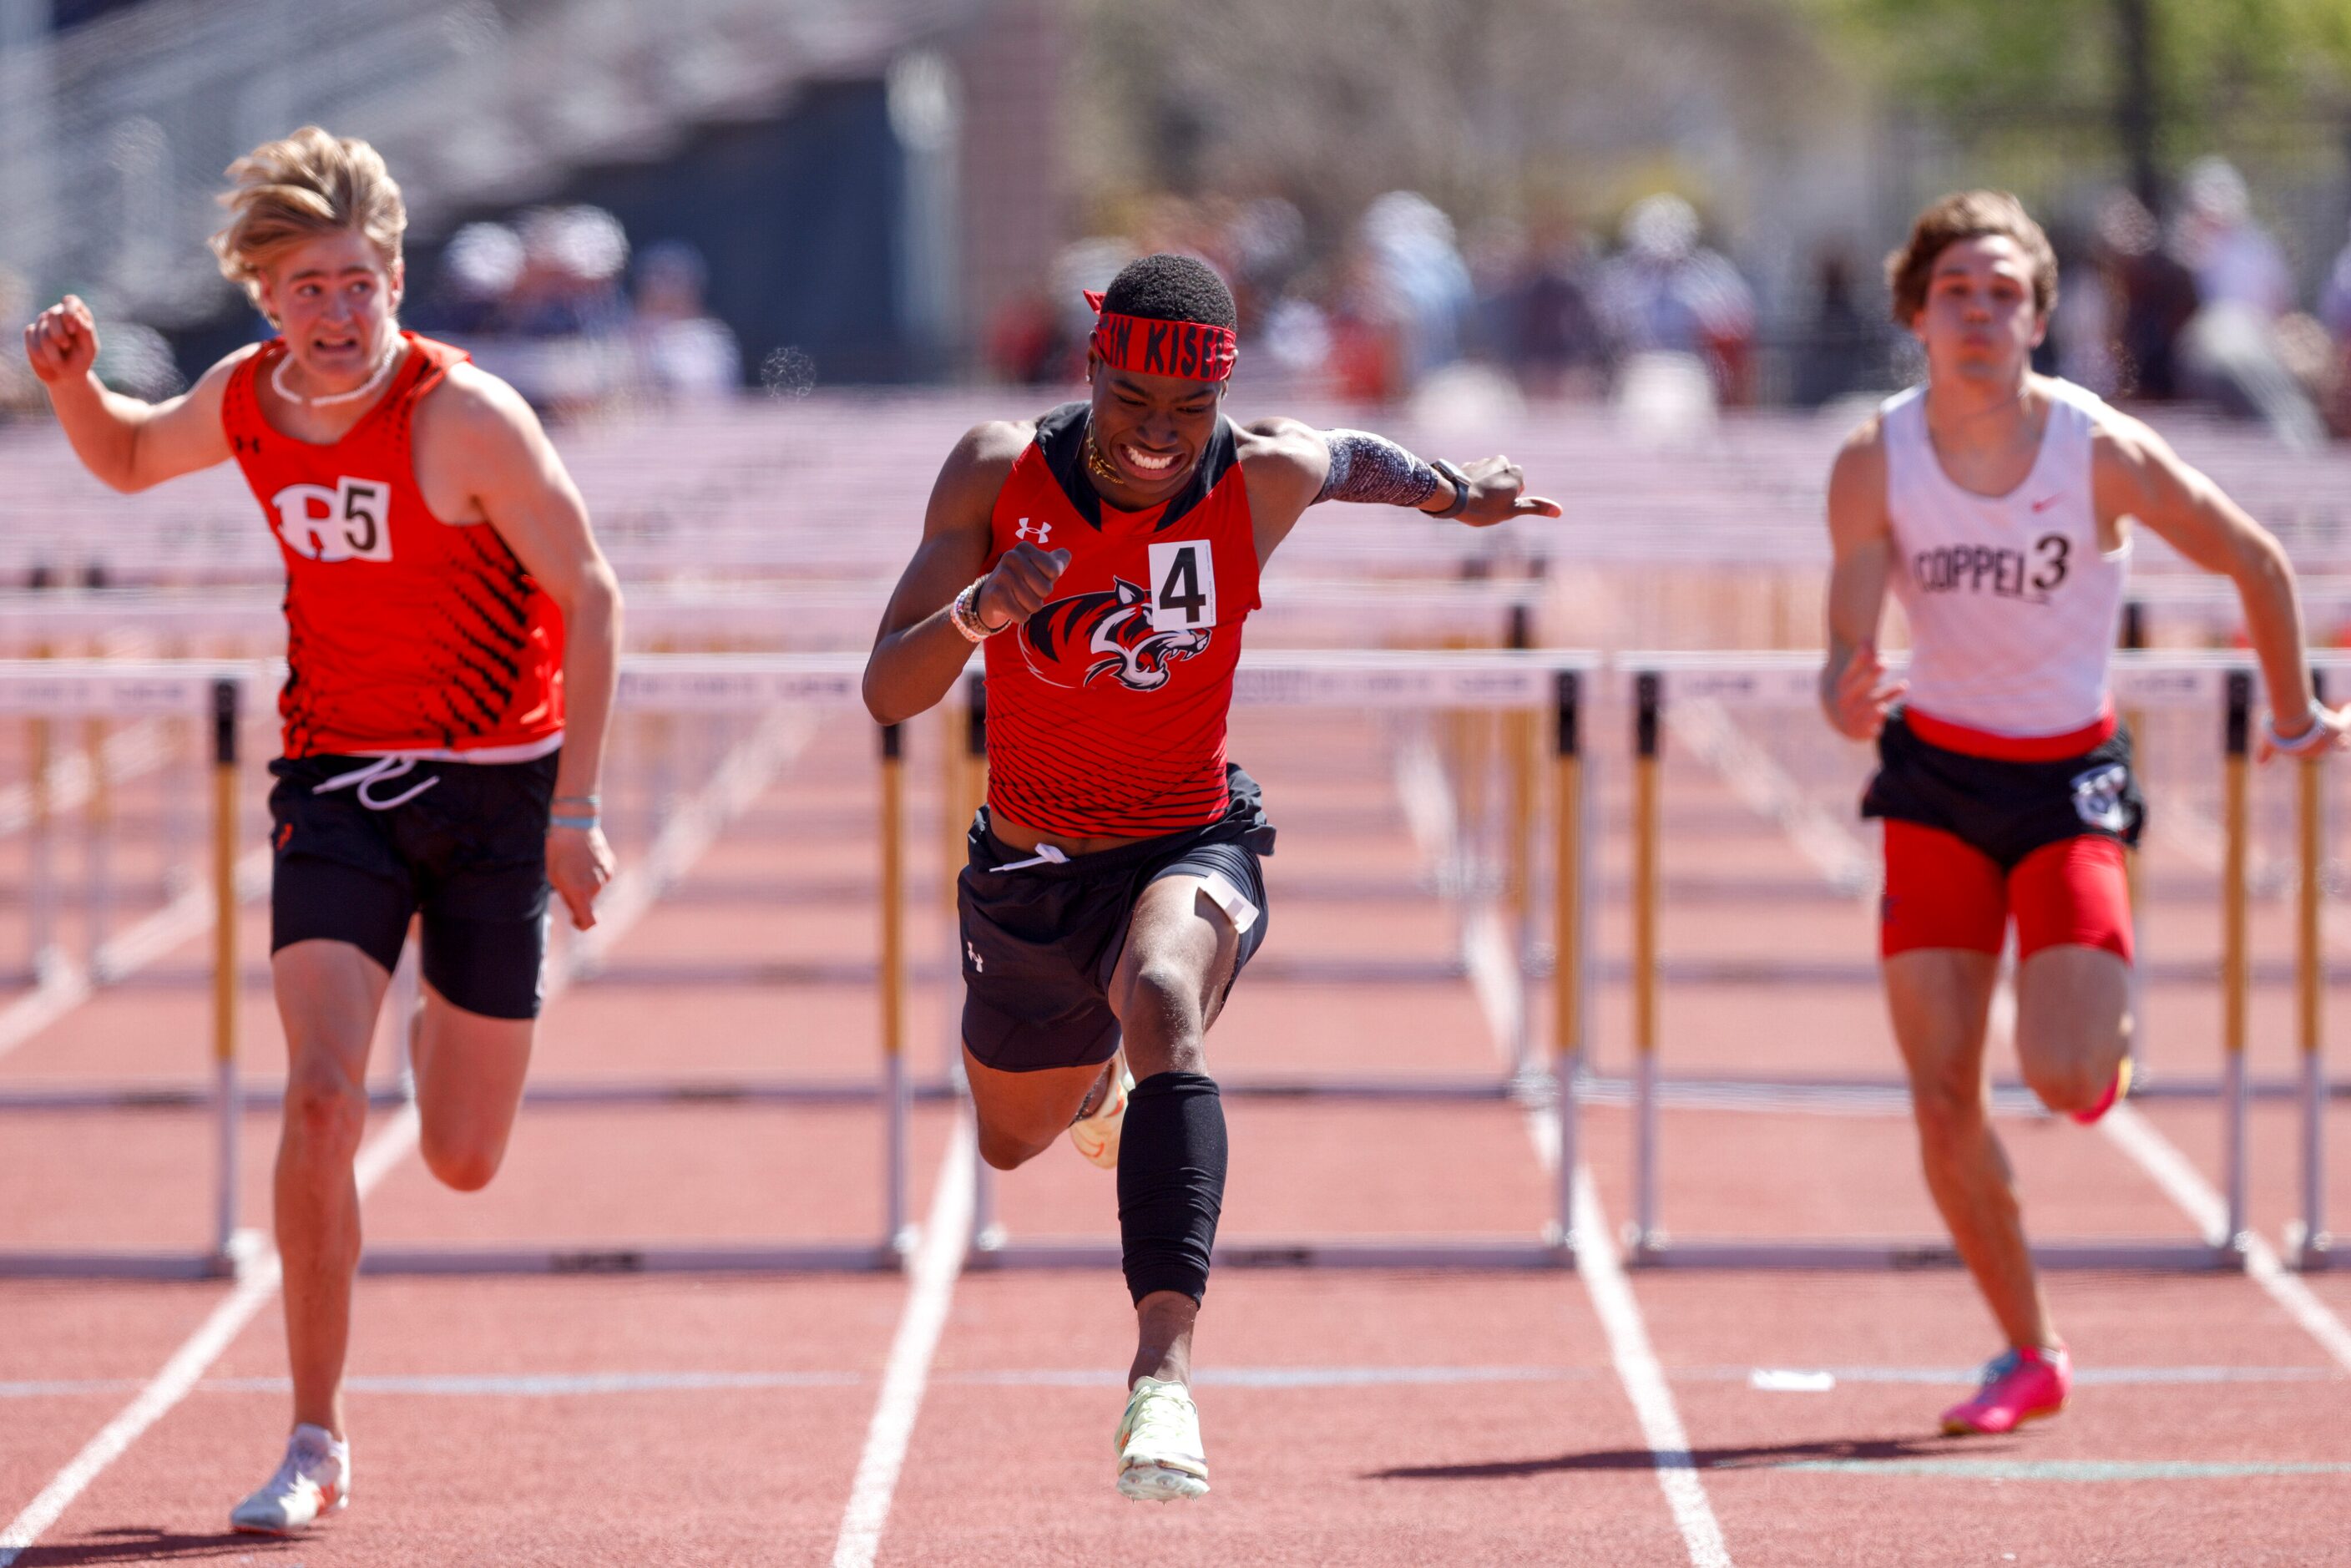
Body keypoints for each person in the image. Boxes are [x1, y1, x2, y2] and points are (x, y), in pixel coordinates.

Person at [862, 252, 1559, 1500]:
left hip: (1188, 837)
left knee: (1166, 996)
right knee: (1011, 1140)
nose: (1159, 439)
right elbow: (886, 687)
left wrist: (1466, 495)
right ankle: (1092, 1090)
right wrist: (977, 612)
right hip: (1028, 865)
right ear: (1093, 374)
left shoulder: (1255, 475)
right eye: (1135, 406)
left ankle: (1160, 1380)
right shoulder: (996, 471)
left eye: (1188, 417)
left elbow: (1352, 456)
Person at [19, 127, 623, 1534]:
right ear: (264, 302)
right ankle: (313, 1431)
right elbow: (119, 456)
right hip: (338, 783)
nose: (339, 315)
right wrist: (68, 387)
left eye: (359, 283)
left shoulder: (466, 418)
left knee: (464, 1152)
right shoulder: (243, 402)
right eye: (308, 291)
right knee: (318, 1098)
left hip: (495, 790)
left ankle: (444, 1020)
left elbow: (591, 594)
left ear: (395, 276)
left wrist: (578, 807)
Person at [1818, 190, 2347, 1437]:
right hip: (1934, 781)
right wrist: (1841, 684)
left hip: (2067, 784)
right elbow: (1846, 631)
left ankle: (2091, 1030)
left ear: (2041, 319)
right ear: (1918, 313)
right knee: (1942, 1093)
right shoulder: (1871, 457)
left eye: (2006, 294)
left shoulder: (2095, 447)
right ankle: (2027, 1349)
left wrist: (2294, 714)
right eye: (1959, 292)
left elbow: (2255, 558)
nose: (1982, 313)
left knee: (2060, 1077)